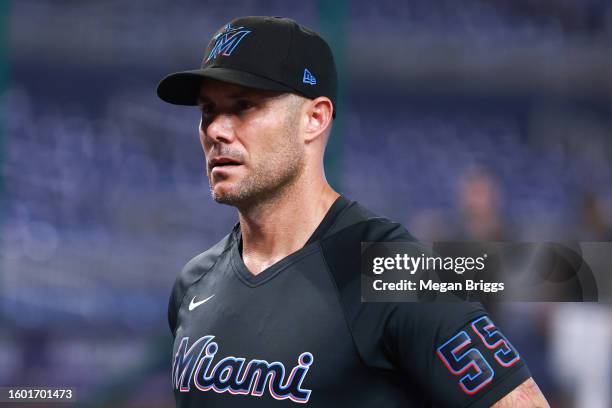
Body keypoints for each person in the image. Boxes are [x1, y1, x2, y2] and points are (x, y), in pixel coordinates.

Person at [157, 16, 549, 407]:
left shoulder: (393, 271)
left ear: (315, 118)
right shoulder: (194, 282)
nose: (216, 130)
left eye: (243, 106)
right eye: (208, 111)